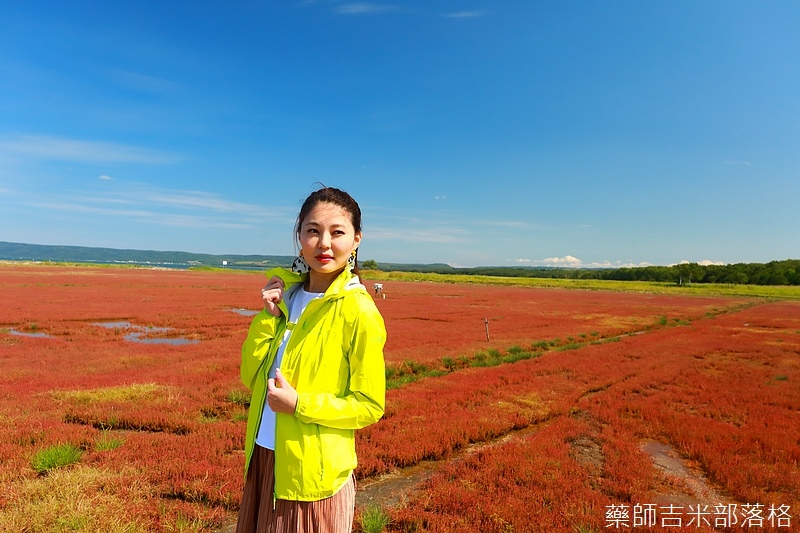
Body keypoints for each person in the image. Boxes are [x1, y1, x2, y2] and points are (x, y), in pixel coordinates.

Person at [236, 187, 386, 533]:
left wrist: (300, 404)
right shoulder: (286, 297)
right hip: (264, 458)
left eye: (337, 232)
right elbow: (250, 376)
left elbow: (369, 405)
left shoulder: (358, 311)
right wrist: (267, 316)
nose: (324, 244)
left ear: (356, 240)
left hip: (313, 478)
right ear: (299, 236)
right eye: (313, 231)